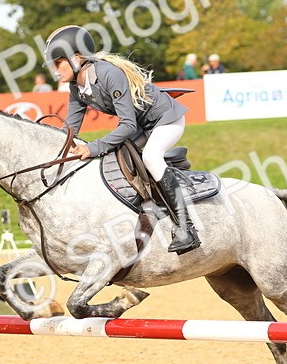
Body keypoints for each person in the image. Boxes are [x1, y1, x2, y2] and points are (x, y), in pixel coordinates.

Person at [45, 24, 199, 254]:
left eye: (58, 63)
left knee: (151, 157)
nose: (55, 70)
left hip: (166, 118)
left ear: (76, 58)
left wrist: (93, 147)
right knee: (114, 161)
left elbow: (127, 125)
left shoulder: (109, 74)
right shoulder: (76, 88)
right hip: (142, 126)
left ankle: (187, 228)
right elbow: (70, 129)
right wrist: (52, 149)